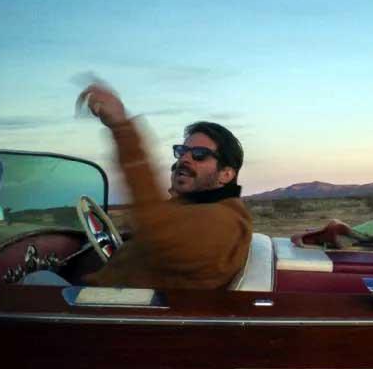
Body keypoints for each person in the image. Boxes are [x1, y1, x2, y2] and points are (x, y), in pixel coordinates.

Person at [77, 82, 253, 290]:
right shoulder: (194, 209)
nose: (184, 159)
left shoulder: (224, 222)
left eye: (199, 154)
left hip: (113, 304)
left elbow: (157, 229)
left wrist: (122, 128)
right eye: (182, 151)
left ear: (226, 174)